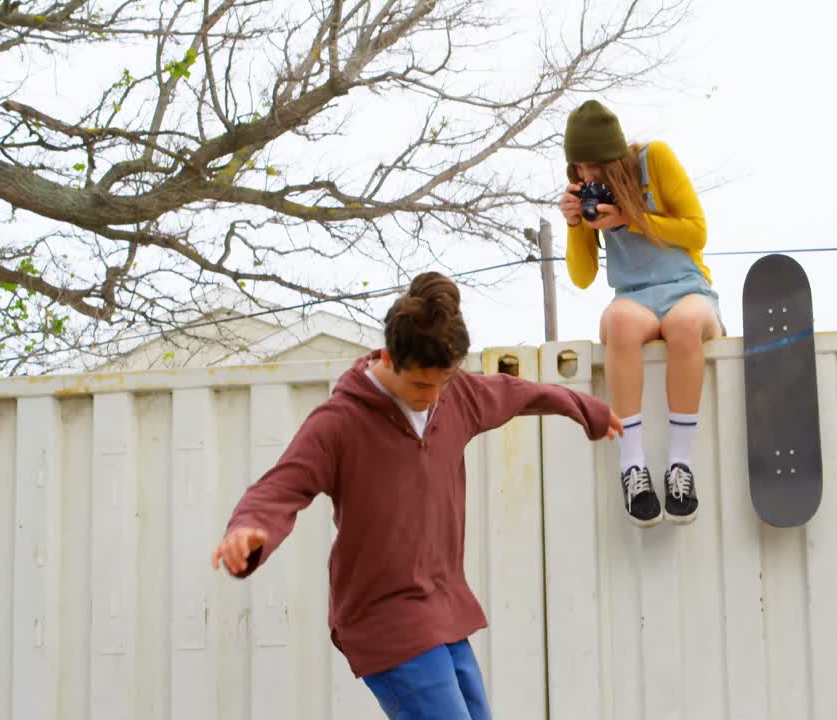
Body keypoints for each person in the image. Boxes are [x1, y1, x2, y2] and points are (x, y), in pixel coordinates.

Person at [210, 271, 622, 719]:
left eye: (443, 383)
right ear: (389, 358)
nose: (434, 396)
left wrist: (586, 410)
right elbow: (282, 486)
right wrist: (249, 529)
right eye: (422, 386)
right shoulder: (340, 424)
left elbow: (517, 393)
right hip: (382, 619)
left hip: (443, 608)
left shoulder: (455, 395)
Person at [557, 99, 724, 528]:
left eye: (595, 166)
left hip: (688, 287)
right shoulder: (587, 193)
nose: (587, 176)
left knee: (685, 326)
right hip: (633, 296)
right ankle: (633, 467)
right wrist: (576, 226)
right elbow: (582, 277)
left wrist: (631, 219)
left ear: (615, 156)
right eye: (579, 168)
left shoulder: (655, 160)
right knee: (617, 323)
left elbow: (696, 230)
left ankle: (679, 466)